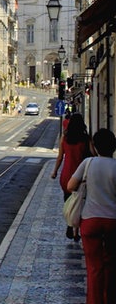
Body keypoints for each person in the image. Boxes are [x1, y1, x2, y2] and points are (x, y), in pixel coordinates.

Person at [68, 129, 116, 304]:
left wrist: (85, 182)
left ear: (94, 147)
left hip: (91, 221)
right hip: (113, 221)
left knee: (94, 266)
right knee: (111, 264)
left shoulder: (88, 163)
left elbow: (70, 186)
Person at [51, 112, 93, 240]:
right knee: (81, 201)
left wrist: (55, 172)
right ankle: (76, 231)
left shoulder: (65, 137)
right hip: (81, 174)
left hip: (67, 174)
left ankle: (70, 225)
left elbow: (59, 158)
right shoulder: (86, 138)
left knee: (69, 200)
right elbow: (93, 154)